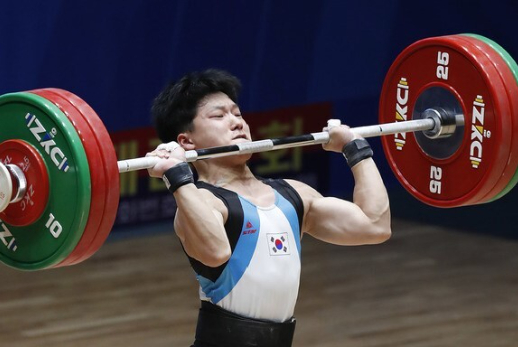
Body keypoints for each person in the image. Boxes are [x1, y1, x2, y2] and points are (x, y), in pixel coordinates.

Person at [146, 69, 391, 347]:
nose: (236, 123)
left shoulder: (293, 195)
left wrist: (356, 149)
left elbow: (375, 226)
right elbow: (215, 252)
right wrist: (178, 178)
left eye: (237, 114)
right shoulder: (202, 201)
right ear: (187, 142)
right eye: (219, 116)